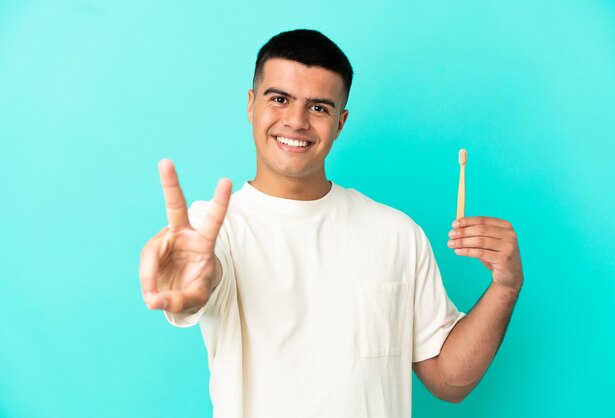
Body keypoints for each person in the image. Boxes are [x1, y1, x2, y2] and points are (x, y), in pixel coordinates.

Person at [139, 29, 523, 418]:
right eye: (280, 99)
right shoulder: (213, 230)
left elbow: (448, 380)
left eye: (319, 108)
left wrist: (505, 287)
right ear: (251, 105)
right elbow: (201, 275)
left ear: (340, 123)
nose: (296, 121)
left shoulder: (396, 232)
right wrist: (190, 277)